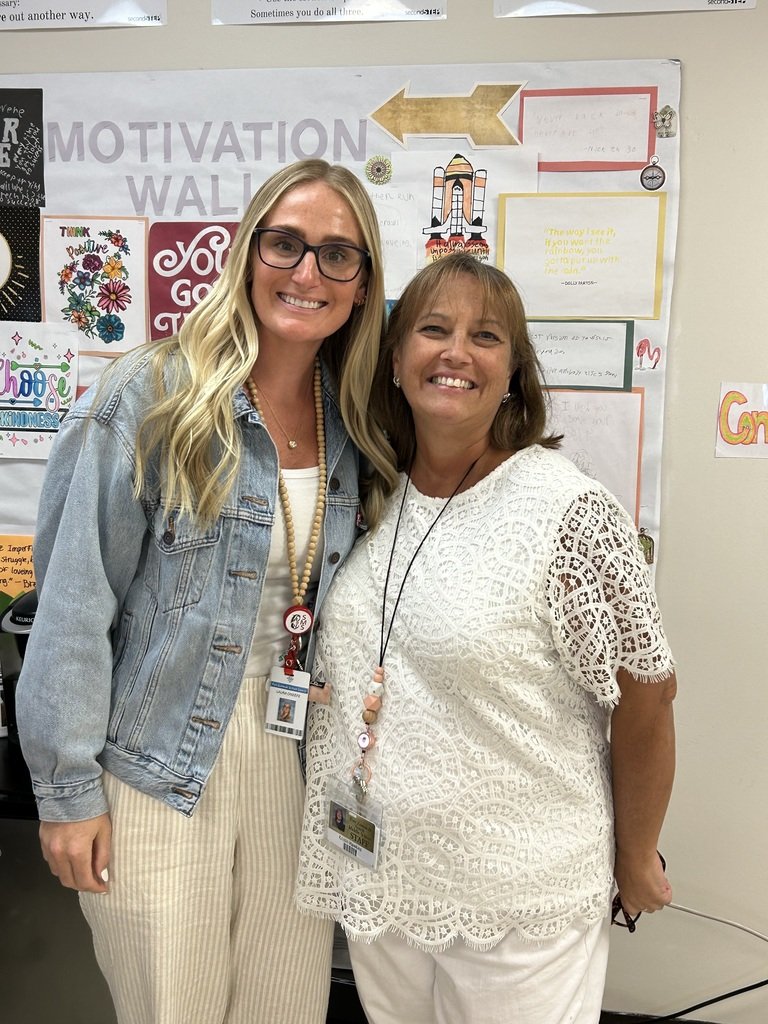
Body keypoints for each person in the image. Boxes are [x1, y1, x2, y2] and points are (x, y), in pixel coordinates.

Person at [16, 158, 389, 1024]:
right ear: (245, 253)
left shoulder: (362, 419)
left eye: (338, 255)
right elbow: (73, 604)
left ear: (365, 285)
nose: (307, 273)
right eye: (286, 244)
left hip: (298, 766)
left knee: (284, 1009)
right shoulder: (151, 395)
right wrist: (66, 792)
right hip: (154, 765)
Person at [296, 252, 676, 1024]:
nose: (457, 352)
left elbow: (649, 691)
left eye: (487, 337)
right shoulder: (370, 496)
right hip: (383, 879)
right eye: (433, 329)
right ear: (396, 359)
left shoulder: (569, 513)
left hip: (516, 899)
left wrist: (637, 856)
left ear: (514, 372)